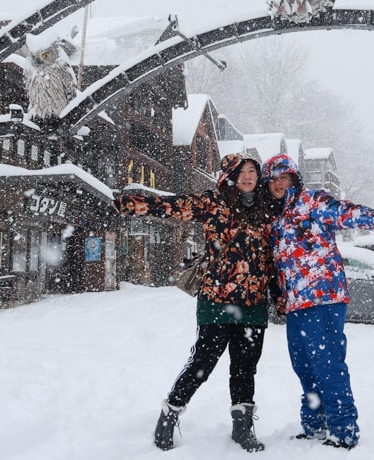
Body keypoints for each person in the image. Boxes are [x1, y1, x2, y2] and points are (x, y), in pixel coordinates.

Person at [114, 153, 283, 453]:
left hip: (254, 305)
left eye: (253, 172)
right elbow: (172, 205)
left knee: (245, 369)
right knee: (202, 364)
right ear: (231, 175)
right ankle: (169, 415)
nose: (248, 177)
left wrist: (279, 296)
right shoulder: (214, 202)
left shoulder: (267, 210)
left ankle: (242, 428)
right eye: (242, 171)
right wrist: (136, 204)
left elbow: (271, 259)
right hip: (217, 301)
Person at [261, 154, 374, 450]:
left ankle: (343, 429)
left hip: (323, 297)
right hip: (296, 304)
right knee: (303, 366)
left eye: (285, 178)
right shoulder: (276, 218)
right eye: (274, 180)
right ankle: (315, 423)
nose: (279, 184)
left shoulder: (312, 202)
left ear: (294, 179)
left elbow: (349, 213)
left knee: (327, 364)